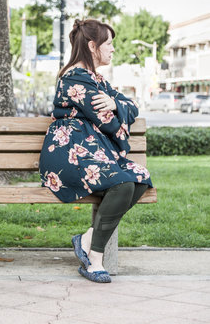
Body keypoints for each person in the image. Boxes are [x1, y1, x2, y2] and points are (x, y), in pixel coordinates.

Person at [39, 19, 152, 283]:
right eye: (109, 43)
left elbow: (130, 105)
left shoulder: (96, 80)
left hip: (90, 151)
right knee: (123, 185)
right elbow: (111, 122)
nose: (113, 49)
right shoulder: (75, 79)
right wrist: (117, 107)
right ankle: (95, 259)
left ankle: (88, 238)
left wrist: (115, 102)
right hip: (68, 154)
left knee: (139, 177)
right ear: (92, 46)